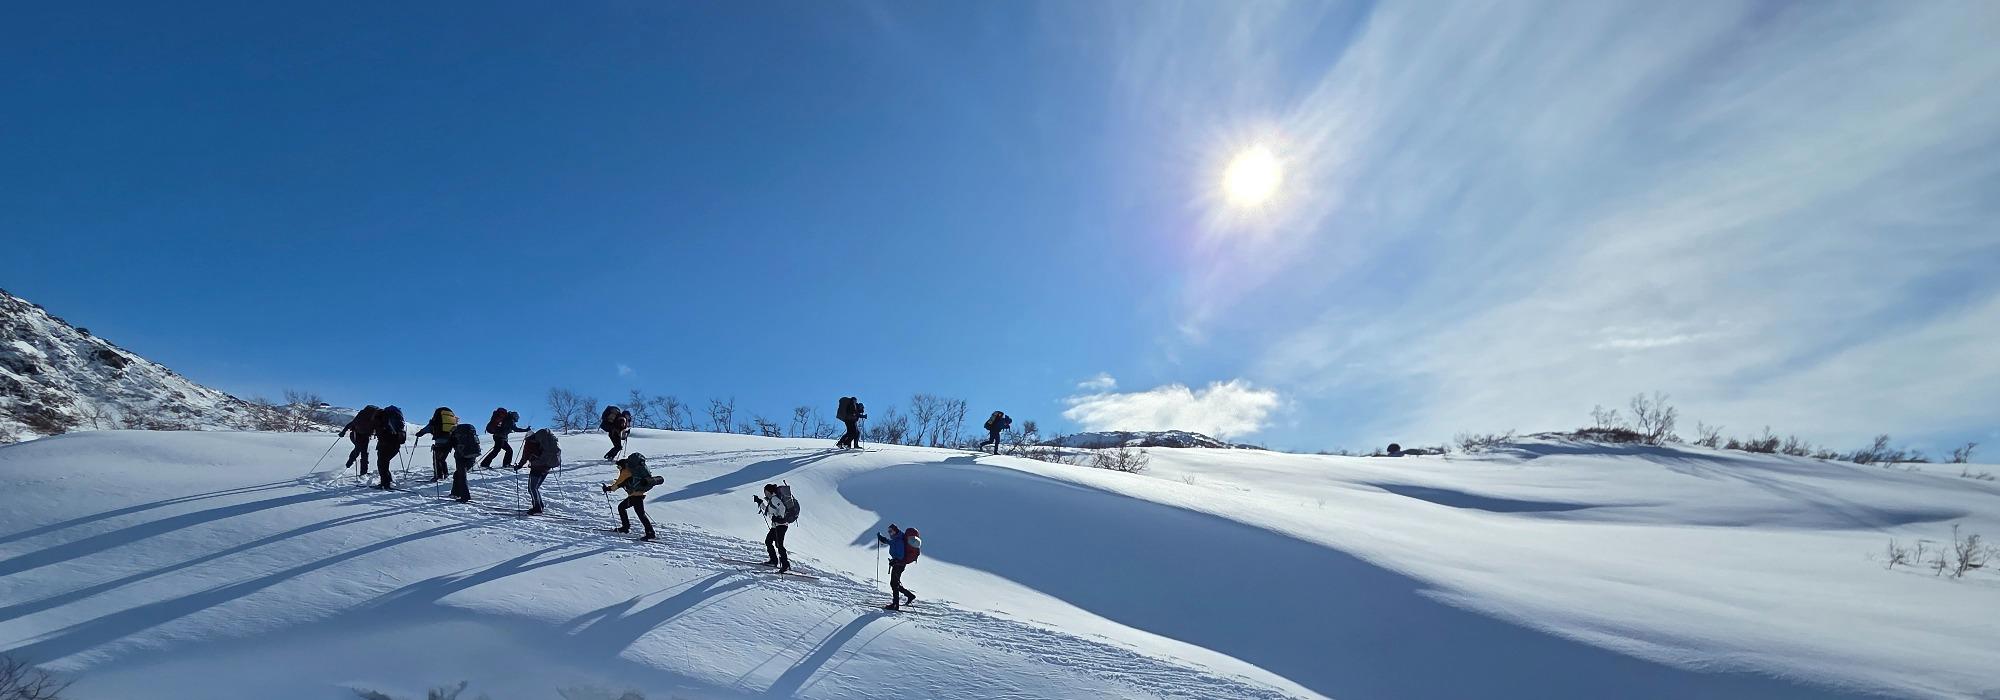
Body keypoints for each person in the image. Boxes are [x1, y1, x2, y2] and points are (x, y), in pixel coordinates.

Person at [602, 453, 657, 540]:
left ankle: (649, 533)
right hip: (637, 494)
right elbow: (622, 483)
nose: (618, 469)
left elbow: (617, 484)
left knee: (638, 513)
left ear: (621, 465)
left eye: (618, 467)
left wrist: (608, 489)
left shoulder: (625, 472)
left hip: (635, 496)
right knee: (625, 508)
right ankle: (627, 527)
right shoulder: (631, 471)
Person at [753, 483, 800, 573]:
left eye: (766, 491)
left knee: (779, 545)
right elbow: (769, 513)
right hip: (776, 526)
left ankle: (785, 565)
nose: (765, 493)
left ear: (770, 491)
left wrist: (780, 518)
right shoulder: (771, 500)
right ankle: (774, 561)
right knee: (769, 541)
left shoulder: (774, 499)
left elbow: (782, 508)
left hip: (781, 525)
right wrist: (760, 503)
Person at [514, 428, 561, 515]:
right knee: (535, 488)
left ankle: (537, 508)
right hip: (546, 467)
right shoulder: (542, 440)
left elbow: (525, 456)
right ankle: (540, 505)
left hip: (537, 467)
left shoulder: (530, 443)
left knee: (532, 488)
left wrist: (519, 466)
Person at [875, 524, 922, 610]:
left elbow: (901, 556)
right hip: (898, 564)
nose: (889, 533)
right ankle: (910, 596)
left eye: (891, 531)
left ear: (895, 531)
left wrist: (894, 561)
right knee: (895, 583)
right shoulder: (896, 539)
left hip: (899, 565)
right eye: (888, 531)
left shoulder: (899, 541)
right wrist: (881, 538)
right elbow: (889, 541)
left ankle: (895, 605)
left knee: (894, 584)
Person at [415, 407, 458, 481]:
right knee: (442, 459)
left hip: (440, 442)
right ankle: (445, 474)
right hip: (450, 442)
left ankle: (438, 476)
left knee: (437, 459)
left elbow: (427, 428)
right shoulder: (451, 420)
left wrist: (419, 433)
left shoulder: (436, 421)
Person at [371, 405, 408, 490]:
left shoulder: (380, 416)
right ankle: (388, 480)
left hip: (385, 442)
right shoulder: (395, 417)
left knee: (381, 463)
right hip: (396, 443)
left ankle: (385, 484)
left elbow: (377, 428)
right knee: (385, 462)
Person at [339, 405, 380, 475]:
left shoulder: (361, 416)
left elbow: (351, 424)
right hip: (365, 436)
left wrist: (343, 432)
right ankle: (362, 471)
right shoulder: (373, 418)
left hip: (356, 435)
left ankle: (350, 464)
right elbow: (376, 428)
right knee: (363, 452)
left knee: (359, 449)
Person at [447, 423, 480, 502]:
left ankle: (465, 497)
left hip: (461, 456)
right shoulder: (470, 433)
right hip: (472, 455)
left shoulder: (455, 435)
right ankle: (455, 493)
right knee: (458, 474)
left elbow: (449, 445)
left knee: (461, 476)